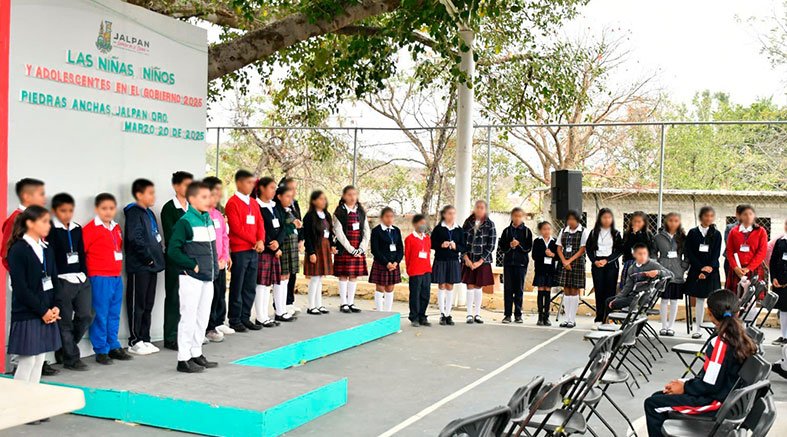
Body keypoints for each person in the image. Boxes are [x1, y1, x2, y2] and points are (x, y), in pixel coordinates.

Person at [643, 289, 758, 437]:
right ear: (738, 313)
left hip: (717, 404)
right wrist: (683, 383)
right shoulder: (742, 336)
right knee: (659, 398)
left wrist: (684, 386)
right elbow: (712, 378)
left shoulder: (721, 342)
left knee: (653, 405)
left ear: (709, 314)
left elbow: (710, 385)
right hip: (727, 398)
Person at [166, 182, 220, 373]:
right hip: (192, 277)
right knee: (188, 317)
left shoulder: (208, 220)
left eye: (209, 196)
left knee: (202, 317)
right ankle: (183, 358)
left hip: (208, 278)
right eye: (204, 197)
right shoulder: (185, 222)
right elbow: (173, 250)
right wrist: (191, 265)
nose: (209, 200)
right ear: (192, 199)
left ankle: (196, 352)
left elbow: (212, 249)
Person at [7, 206, 61, 391]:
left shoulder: (47, 249)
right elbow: (21, 289)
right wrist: (42, 311)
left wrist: (55, 307)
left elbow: (53, 281)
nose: (48, 225)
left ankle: (32, 404)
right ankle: (18, 405)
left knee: (39, 360)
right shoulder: (18, 250)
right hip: (28, 314)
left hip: (46, 312)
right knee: (28, 360)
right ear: (30, 223)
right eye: (44, 221)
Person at [83, 193, 132, 365]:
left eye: (111, 208)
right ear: (97, 209)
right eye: (104, 208)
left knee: (114, 313)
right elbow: (83, 252)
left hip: (115, 277)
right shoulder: (90, 229)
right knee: (100, 314)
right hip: (99, 277)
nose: (108, 212)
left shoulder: (117, 228)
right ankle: (101, 349)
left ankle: (113, 345)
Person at [48, 193, 93, 371]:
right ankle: (72, 358)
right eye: (63, 211)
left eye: (70, 210)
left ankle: (65, 347)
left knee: (87, 315)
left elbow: (81, 253)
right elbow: (50, 258)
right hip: (62, 280)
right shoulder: (51, 229)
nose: (67, 214)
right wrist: (55, 281)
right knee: (65, 320)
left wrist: (85, 274)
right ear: (55, 211)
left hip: (80, 278)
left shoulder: (76, 228)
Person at [123, 179, 165, 355]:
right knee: (137, 304)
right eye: (150, 193)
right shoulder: (134, 213)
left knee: (148, 304)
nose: (154, 196)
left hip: (152, 266)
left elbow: (155, 236)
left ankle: (145, 338)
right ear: (139, 195)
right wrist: (147, 258)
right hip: (140, 266)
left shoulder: (150, 213)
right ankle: (134, 340)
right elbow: (135, 238)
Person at [225, 170, 265, 332]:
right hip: (240, 250)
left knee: (250, 285)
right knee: (238, 284)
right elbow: (236, 228)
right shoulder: (232, 203)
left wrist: (261, 239)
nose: (252, 185)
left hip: (254, 250)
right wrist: (255, 241)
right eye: (249, 182)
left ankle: (245, 317)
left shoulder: (253, 203)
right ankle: (234, 319)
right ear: (239, 183)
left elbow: (260, 223)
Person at [160, 171, 193, 350]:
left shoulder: (193, 207)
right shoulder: (169, 208)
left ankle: (185, 335)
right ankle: (171, 336)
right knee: (173, 297)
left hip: (192, 259)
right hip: (175, 259)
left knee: (188, 300)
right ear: (176, 186)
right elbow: (172, 236)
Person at [684, 206, 723, 339]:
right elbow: (689, 252)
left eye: (711, 216)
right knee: (699, 299)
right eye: (706, 216)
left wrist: (709, 267)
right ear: (701, 217)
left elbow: (716, 253)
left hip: (712, 270)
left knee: (714, 300)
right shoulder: (693, 232)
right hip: (697, 270)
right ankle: (698, 328)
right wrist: (701, 267)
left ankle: (717, 328)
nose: (709, 218)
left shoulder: (716, 234)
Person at [204, 176, 233, 342]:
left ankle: (214, 323)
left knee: (219, 293)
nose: (218, 198)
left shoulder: (218, 215)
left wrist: (225, 256)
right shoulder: (202, 214)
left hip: (220, 263)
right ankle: (206, 326)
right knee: (208, 296)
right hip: (208, 263)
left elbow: (224, 236)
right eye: (215, 194)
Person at [332, 185, 370, 313]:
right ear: (344, 196)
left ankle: (351, 302)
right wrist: (351, 249)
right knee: (343, 275)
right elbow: (339, 233)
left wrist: (361, 248)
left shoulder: (361, 212)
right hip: (345, 249)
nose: (353, 197)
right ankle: (343, 303)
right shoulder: (339, 212)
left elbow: (366, 231)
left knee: (354, 275)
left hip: (358, 249)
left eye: (354, 194)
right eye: (349, 194)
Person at [254, 177, 285, 326]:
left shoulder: (275, 206)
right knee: (262, 284)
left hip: (275, 250)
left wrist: (278, 244)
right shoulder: (256, 206)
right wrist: (269, 244)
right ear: (262, 188)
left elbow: (283, 226)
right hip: (264, 250)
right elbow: (258, 228)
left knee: (269, 284)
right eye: (272, 187)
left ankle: (265, 315)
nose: (274, 190)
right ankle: (260, 316)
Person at [607, 243, 673, 312]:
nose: (643, 256)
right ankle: (606, 322)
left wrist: (658, 272)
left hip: (644, 297)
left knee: (615, 303)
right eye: (640, 254)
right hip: (633, 296)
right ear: (634, 255)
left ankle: (627, 319)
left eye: (645, 253)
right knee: (609, 300)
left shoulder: (653, 265)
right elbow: (627, 287)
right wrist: (617, 298)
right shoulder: (632, 268)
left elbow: (671, 275)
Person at [585, 208, 623, 329]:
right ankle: (599, 317)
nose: (607, 220)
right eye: (604, 217)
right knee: (599, 291)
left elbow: (619, 250)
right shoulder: (593, 232)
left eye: (609, 217)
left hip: (611, 264)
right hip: (597, 264)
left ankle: (608, 317)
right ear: (599, 219)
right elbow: (589, 248)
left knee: (610, 291)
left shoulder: (616, 233)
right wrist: (595, 261)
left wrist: (607, 260)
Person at [462, 200, 496, 325]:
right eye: (477, 207)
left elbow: (491, 244)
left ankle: (478, 314)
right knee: (469, 285)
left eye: (482, 207)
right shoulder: (468, 222)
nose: (479, 209)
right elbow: (462, 241)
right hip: (469, 259)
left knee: (478, 286)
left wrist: (480, 261)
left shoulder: (490, 224)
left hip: (482, 260)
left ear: (485, 209)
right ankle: (469, 314)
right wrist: (466, 258)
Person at [654, 212, 688, 337]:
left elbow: (687, 255)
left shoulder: (682, 237)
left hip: (677, 273)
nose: (673, 223)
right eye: (670, 220)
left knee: (674, 300)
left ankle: (671, 326)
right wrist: (658, 266)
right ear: (666, 222)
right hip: (663, 273)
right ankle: (663, 326)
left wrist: (683, 267)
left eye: (676, 221)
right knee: (664, 299)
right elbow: (653, 253)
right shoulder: (658, 237)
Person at [496, 207, 533, 324]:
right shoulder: (507, 231)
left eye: (519, 216)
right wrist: (510, 246)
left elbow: (528, 247)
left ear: (523, 217)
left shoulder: (527, 231)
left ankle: (518, 314)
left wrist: (519, 245)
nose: (517, 218)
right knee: (508, 289)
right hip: (508, 264)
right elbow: (501, 247)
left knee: (519, 289)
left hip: (521, 264)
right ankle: (507, 314)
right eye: (515, 216)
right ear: (512, 217)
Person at [431, 205, 465, 326]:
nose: (452, 216)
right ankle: (441, 314)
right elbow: (432, 243)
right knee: (442, 285)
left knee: (450, 285)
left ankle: (448, 313)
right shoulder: (438, 229)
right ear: (444, 215)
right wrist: (441, 244)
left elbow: (463, 246)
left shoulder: (459, 230)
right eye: (449, 213)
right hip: (441, 259)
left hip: (453, 260)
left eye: (454, 213)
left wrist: (456, 247)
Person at [302, 190, 335, 315]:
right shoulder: (310, 216)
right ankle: (311, 306)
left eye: (324, 199)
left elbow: (330, 233)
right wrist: (311, 252)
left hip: (325, 248)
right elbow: (308, 236)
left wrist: (332, 246)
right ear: (314, 201)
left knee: (320, 278)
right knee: (314, 278)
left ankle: (319, 304)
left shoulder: (327, 215)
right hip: (315, 249)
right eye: (320, 199)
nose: (323, 201)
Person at [2, 178, 46, 270]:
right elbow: (5, 253)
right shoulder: (16, 218)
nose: (44, 198)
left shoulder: (38, 217)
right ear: (27, 196)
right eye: (40, 195)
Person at [272, 185, 301, 322]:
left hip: (292, 246)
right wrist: (293, 224)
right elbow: (282, 228)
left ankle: (283, 307)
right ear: (279, 196)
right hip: (283, 246)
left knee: (287, 277)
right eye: (287, 196)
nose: (290, 199)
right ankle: (279, 310)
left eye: (291, 196)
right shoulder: (277, 210)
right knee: (281, 277)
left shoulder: (289, 209)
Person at [556, 210, 589, 328]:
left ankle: (572, 319)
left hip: (577, 263)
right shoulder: (563, 231)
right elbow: (559, 248)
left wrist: (569, 261)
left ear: (578, 220)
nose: (570, 222)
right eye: (569, 219)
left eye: (573, 219)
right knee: (566, 290)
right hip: (565, 262)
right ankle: (566, 318)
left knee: (574, 290)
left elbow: (582, 249)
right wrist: (564, 261)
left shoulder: (583, 231)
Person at [725, 204, 767, 293]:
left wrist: (749, 268)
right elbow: (729, 251)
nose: (748, 217)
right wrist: (735, 268)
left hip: (754, 269)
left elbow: (762, 252)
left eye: (750, 214)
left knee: (753, 298)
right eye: (745, 214)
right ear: (740, 216)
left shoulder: (761, 231)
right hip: (737, 270)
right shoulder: (733, 232)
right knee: (735, 297)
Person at [369, 207, 403, 313]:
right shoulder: (376, 231)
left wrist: (396, 262)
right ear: (382, 218)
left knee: (390, 288)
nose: (389, 219)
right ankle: (379, 312)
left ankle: (388, 313)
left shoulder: (396, 230)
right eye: (387, 216)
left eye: (392, 216)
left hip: (394, 264)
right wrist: (386, 263)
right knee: (380, 288)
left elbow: (400, 249)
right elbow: (375, 250)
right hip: (381, 264)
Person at [279, 177, 303, 316]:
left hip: (295, 240)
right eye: (291, 188)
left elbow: (299, 220)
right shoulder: (279, 205)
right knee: (284, 273)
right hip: (284, 242)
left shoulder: (295, 204)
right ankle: (282, 305)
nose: (294, 191)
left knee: (292, 273)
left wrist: (301, 239)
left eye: (295, 188)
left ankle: (289, 302)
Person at [405, 214, 432, 326]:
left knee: (425, 294)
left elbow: (428, 253)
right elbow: (407, 255)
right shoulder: (409, 239)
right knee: (415, 295)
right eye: (421, 223)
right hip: (415, 271)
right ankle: (414, 317)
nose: (423, 225)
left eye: (424, 223)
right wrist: (409, 270)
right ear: (415, 224)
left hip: (426, 269)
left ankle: (422, 316)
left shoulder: (427, 238)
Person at [532, 221, 558, 326]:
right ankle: (540, 316)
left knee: (548, 292)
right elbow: (534, 255)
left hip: (550, 270)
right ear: (540, 230)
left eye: (548, 229)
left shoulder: (554, 241)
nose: (546, 231)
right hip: (540, 269)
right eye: (544, 229)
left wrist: (552, 254)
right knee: (540, 291)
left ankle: (547, 316)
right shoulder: (537, 241)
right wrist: (544, 254)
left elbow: (557, 256)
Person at [621, 211, 656, 283]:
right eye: (634, 221)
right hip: (630, 262)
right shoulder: (628, 234)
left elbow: (646, 247)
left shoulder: (648, 234)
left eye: (639, 222)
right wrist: (633, 235)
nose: (636, 224)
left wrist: (638, 234)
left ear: (644, 223)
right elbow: (625, 249)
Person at [769, 219, 787, 346]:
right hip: (780, 282)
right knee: (783, 309)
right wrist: (774, 278)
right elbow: (773, 261)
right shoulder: (780, 241)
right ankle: (783, 336)